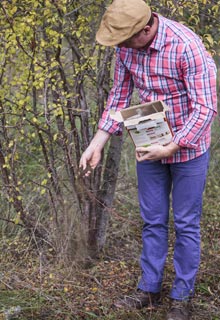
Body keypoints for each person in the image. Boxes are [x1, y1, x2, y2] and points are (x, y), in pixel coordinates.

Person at [79, 0, 217, 319]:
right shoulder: (127, 47)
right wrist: (98, 141)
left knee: (185, 223)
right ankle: (149, 289)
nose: (123, 46)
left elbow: (206, 109)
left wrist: (172, 147)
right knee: (153, 221)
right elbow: (119, 94)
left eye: (127, 39)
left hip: (188, 150)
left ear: (146, 29)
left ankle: (182, 297)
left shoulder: (186, 47)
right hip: (148, 145)